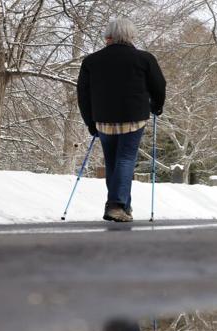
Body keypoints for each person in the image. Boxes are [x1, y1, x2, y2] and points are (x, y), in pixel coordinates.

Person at [77, 17, 166, 223]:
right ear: (131, 36)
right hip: (134, 118)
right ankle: (116, 205)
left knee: (112, 163)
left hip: (103, 120)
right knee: (125, 160)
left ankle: (123, 206)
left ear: (108, 36)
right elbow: (159, 86)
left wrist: (90, 122)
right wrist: (157, 106)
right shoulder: (144, 59)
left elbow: (83, 94)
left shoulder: (91, 61)